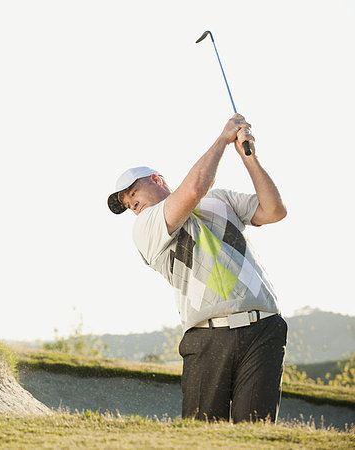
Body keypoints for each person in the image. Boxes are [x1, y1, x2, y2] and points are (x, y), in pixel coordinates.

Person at [107, 114, 288, 423]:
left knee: (255, 432)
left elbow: (274, 211)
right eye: (126, 204)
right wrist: (223, 138)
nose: (131, 205)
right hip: (207, 338)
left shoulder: (220, 199)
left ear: (156, 180)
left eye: (132, 194)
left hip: (263, 328)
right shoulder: (146, 226)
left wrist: (249, 158)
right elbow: (194, 189)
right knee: (203, 433)